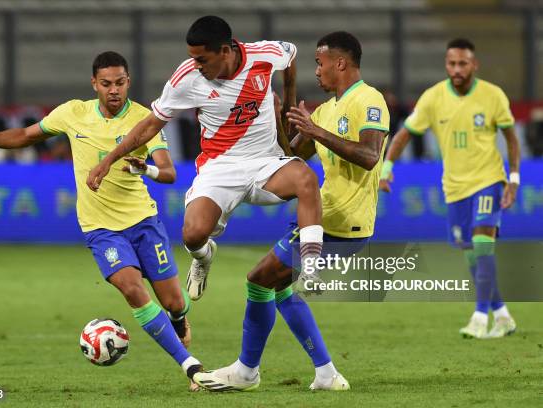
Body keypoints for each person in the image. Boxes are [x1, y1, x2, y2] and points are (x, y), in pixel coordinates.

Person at [0, 51, 203, 387]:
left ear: (129, 82)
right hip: (101, 229)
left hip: (143, 222)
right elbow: (26, 136)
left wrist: (149, 168)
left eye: (121, 83)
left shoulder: (145, 119)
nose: (114, 90)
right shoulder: (73, 113)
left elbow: (169, 172)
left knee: (173, 301)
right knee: (131, 289)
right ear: (94, 84)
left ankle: (179, 317)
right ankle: (190, 366)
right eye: (107, 83)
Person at [193, 31, 389, 392]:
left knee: (259, 280)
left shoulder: (368, 99)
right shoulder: (326, 110)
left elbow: (369, 156)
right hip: (324, 218)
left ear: (340, 63)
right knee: (277, 287)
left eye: (320, 62)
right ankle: (325, 373)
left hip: (345, 223)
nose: (316, 71)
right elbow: (289, 157)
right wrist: (281, 116)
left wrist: (317, 130)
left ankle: (248, 372)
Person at [86, 15, 324, 302]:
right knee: (193, 234)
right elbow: (150, 125)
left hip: (266, 162)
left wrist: (288, 101)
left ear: (224, 51)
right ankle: (203, 257)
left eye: (202, 59)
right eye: (193, 58)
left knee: (307, 179)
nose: (196, 65)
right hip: (219, 168)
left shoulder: (264, 55)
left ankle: (311, 268)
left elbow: (292, 54)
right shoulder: (187, 78)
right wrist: (108, 159)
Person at [380, 38, 520, 339]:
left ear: (474, 65)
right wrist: (387, 167)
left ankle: (480, 317)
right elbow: (404, 134)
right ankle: (503, 314)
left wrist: (514, 178)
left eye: (463, 63)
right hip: (455, 188)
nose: (457, 69)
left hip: (488, 180)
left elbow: (511, 138)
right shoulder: (433, 98)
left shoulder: (492, 95)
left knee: (483, 244)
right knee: (471, 253)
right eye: (452, 63)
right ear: (446, 65)